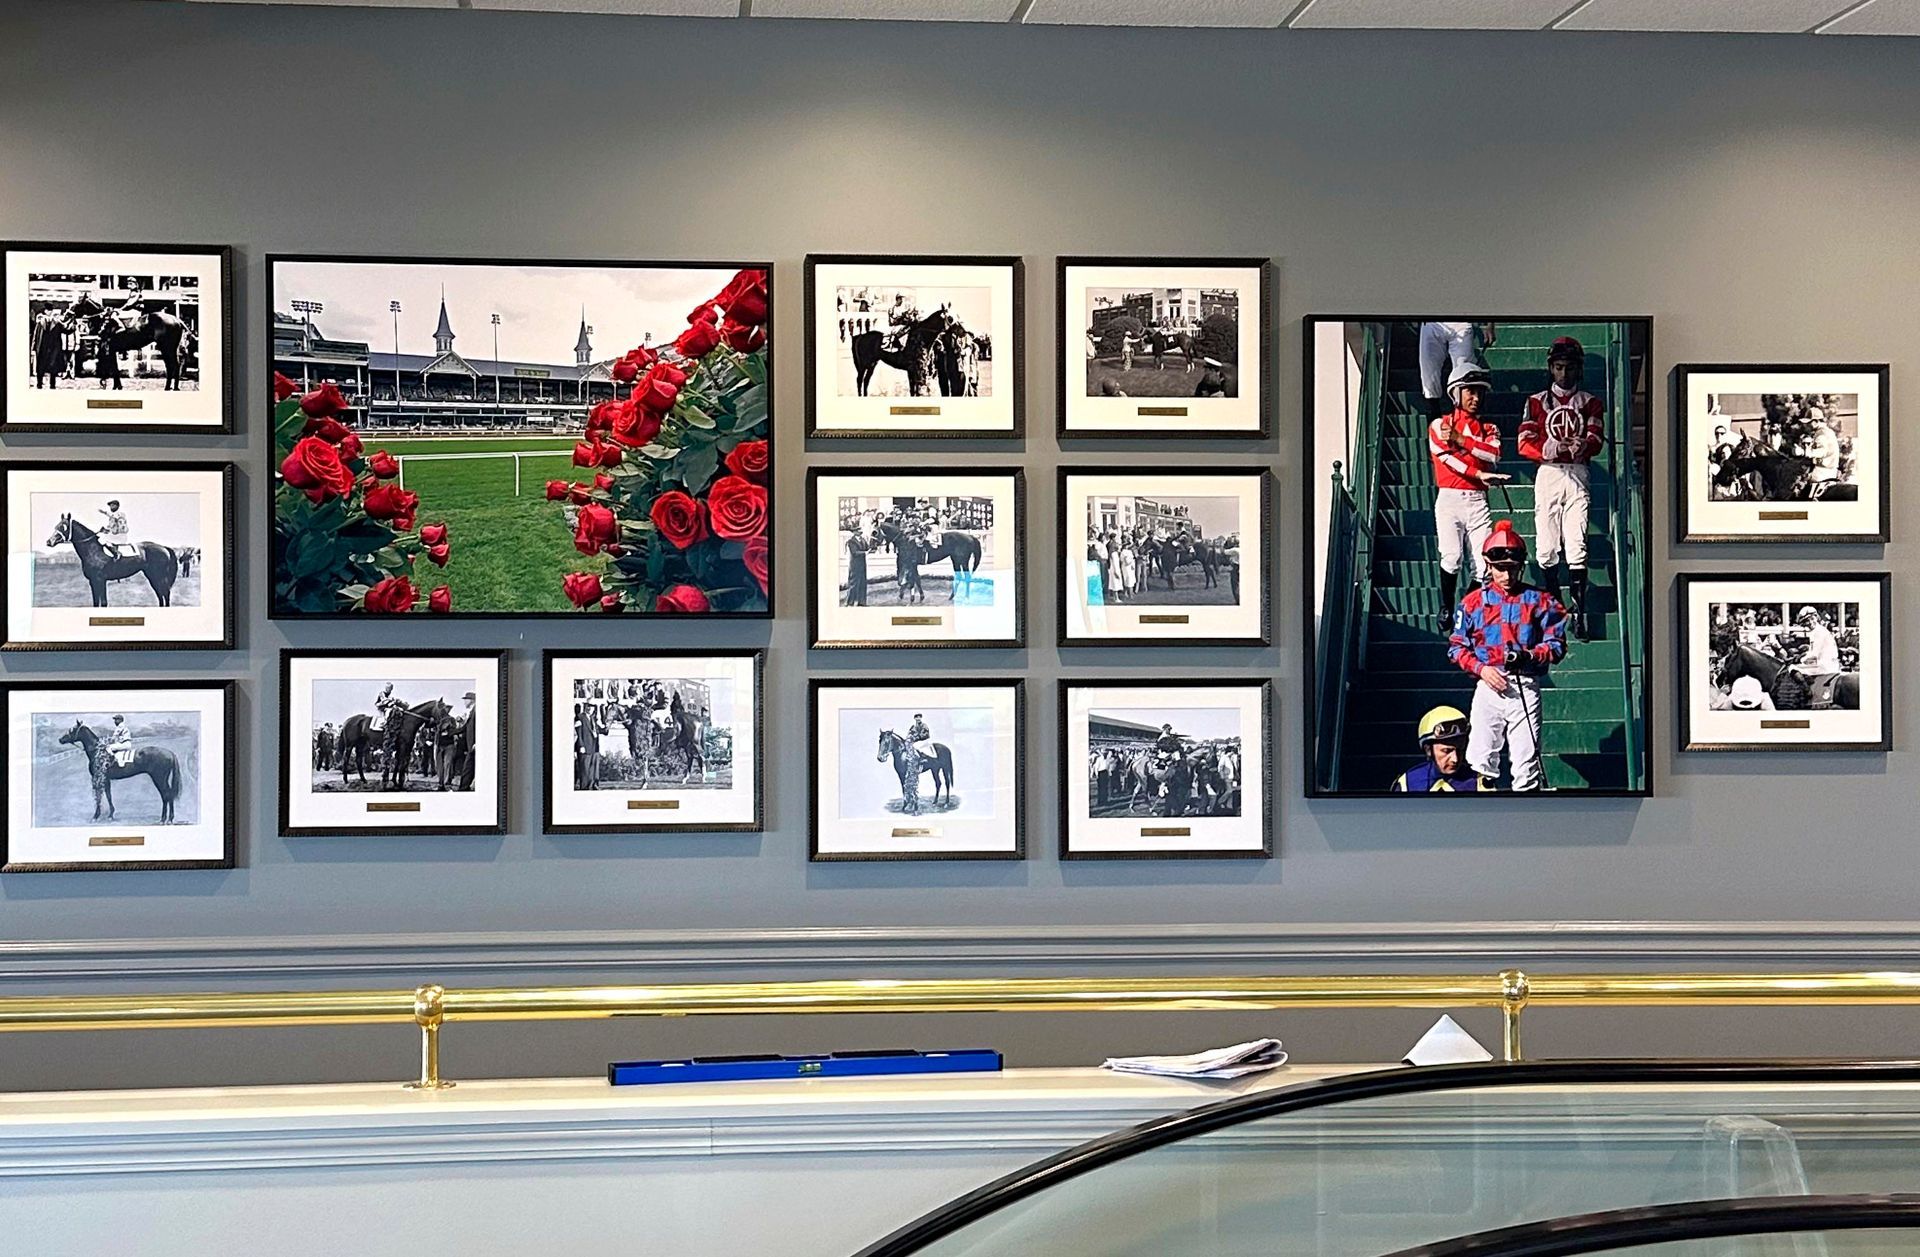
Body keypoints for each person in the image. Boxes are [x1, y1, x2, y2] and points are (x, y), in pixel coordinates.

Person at [1447, 523, 1569, 792]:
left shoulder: (1541, 601)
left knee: (1526, 762)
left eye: (1512, 567)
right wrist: (1482, 669)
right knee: (1480, 758)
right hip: (1488, 685)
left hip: (1524, 684)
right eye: (1500, 567)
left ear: (1521, 566)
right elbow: (1456, 647)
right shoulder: (1471, 603)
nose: (1506, 574)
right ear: (1489, 565)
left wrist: (1529, 655)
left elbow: (1557, 645)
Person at [1517, 336, 1605, 639]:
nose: (1563, 374)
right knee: (1546, 546)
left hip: (1578, 474)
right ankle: (1554, 608)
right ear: (1550, 369)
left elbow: (1596, 439)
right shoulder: (1535, 401)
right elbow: (1524, 443)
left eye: (1568, 368)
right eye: (1558, 367)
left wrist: (1584, 445)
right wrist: (1551, 448)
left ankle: (1580, 613)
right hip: (1549, 474)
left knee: (1577, 544)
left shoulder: (1591, 401)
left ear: (1577, 369)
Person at [1429, 361, 1501, 631]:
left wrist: (1461, 440)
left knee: (1483, 567)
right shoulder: (1439, 424)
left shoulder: (1489, 428)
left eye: (1479, 392)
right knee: (1452, 557)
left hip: (1477, 500)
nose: (1475, 397)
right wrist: (1478, 472)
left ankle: (1465, 609)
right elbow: (1446, 459)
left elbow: (1492, 455)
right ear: (1455, 392)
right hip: (1449, 498)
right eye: (1469, 391)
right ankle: (1447, 605)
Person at [1390, 706, 1494, 792]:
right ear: (1428, 750)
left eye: (1460, 750)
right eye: (1446, 751)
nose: (1455, 759)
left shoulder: (1478, 782)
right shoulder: (1408, 783)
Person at [1418, 322, 1495, 415]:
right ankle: (1434, 416)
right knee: (1429, 374)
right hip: (1432, 320)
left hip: (1462, 319)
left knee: (1465, 374)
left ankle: (1464, 417)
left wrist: (1490, 325)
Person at [844, 517, 869, 607]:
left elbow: (867, 547)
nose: (860, 531)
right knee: (853, 584)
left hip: (862, 565)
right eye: (858, 530)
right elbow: (854, 553)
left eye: (860, 529)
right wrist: (865, 553)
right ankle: (849, 602)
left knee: (863, 583)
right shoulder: (851, 541)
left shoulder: (862, 539)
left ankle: (862, 602)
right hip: (855, 565)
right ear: (854, 532)